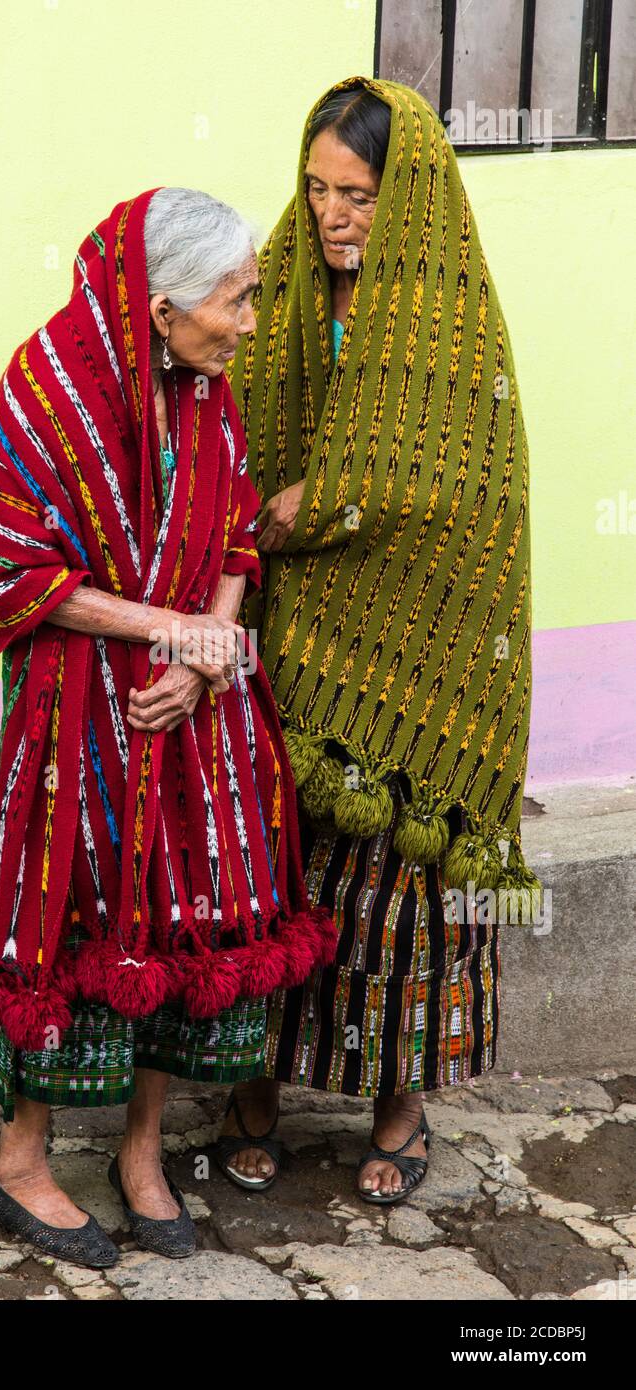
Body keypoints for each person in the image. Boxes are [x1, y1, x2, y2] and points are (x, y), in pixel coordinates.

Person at [0, 186, 335, 1266]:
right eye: (236, 300)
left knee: (177, 914)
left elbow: (231, 531)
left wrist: (206, 651)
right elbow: (7, 570)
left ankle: (140, 1152)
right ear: (160, 307)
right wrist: (160, 628)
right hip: (82, 708)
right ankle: (20, 1156)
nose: (251, 321)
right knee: (75, 912)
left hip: (185, 709)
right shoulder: (46, 387)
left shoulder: (205, 388)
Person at [219, 77, 541, 1204]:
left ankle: (399, 1105)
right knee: (279, 868)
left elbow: (458, 493)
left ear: (403, 199)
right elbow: (230, 428)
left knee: (402, 892)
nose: (329, 215)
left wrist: (327, 500)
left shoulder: (451, 322)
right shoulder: (285, 291)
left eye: (353, 193)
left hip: (425, 654)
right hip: (295, 644)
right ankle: (252, 1086)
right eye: (313, 189)